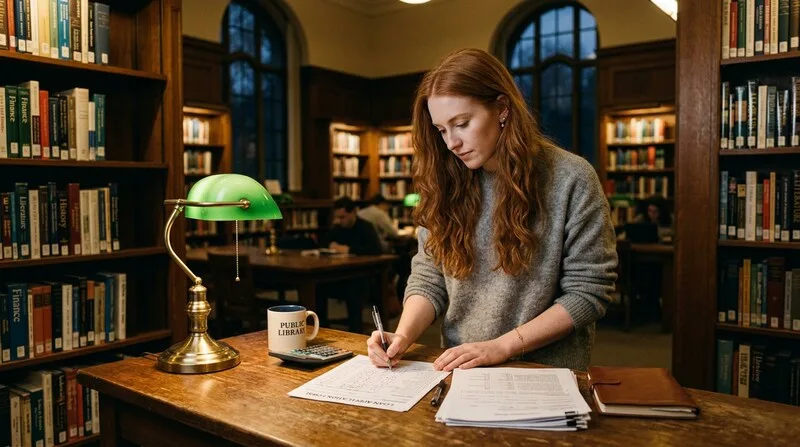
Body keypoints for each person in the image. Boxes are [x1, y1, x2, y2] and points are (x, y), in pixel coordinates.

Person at [366, 48, 618, 372]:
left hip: (543, 372)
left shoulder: (572, 178)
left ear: (502, 109)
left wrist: (502, 347)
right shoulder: (443, 182)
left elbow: (589, 292)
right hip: (461, 368)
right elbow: (430, 277)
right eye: (441, 130)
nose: (451, 143)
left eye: (462, 123)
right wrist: (402, 336)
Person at [317, 197, 384, 332]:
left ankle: (356, 331)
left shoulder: (365, 227)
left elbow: (376, 249)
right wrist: (330, 246)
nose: (340, 221)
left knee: (354, 290)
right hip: (339, 276)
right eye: (337, 217)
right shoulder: (337, 228)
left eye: (343, 217)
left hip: (362, 277)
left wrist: (349, 250)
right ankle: (322, 328)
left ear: (353, 212)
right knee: (317, 287)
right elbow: (324, 244)